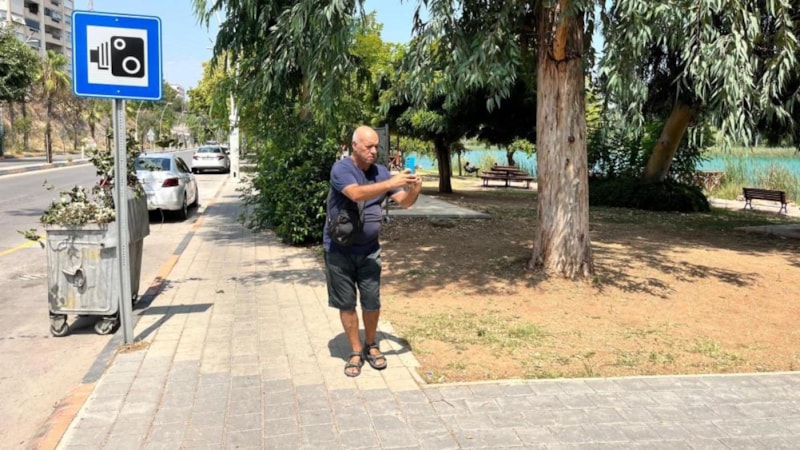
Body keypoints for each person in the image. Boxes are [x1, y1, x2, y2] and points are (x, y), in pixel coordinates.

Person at [324, 126, 422, 377]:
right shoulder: (341, 169)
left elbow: (404, 202)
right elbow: (355, 194)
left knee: (371, 300)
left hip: (369, 250)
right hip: (339, 250)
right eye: (369, 146)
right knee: (346, 303)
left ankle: (371, 344)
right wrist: (390, 182)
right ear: (354, 146)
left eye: (376, 146)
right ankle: (355, 351)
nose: (374, 151)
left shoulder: (381, 172)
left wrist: (414, 189)